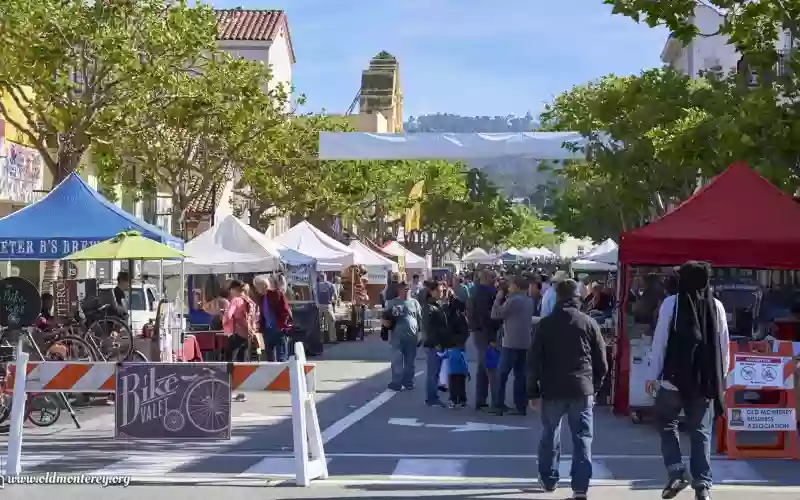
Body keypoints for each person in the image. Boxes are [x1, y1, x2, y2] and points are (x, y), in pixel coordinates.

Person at [645, 262, 730, 500]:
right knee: (700, 432)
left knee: (666, 422)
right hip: (704, 381)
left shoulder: (671, 303)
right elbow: (724, 346)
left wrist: (652, 375)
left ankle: (676, 471)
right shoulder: (717, 306)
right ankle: (702, 485)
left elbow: (660, 340)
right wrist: (721, 378)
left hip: (673, 378)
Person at [527, 279, 608, 499]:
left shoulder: (545, 324)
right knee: (582, 438)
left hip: (552, 387)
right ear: (578, 298)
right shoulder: (589, 323)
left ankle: (548, 478)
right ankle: (580, 487)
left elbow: (533, 360)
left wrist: (532, 391)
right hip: (582, 387)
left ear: (558, 297)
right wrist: (595, 387)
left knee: (550, 434)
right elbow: (602, 361)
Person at [491, 275, 535, 415]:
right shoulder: (529, 300)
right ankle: (520, 406)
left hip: (510, 342)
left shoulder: (513, 301)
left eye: (510, 285)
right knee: (520, 375)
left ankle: (498, 404)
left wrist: (499, 298)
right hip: (525, 342)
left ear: (516, 286)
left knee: (502, 374)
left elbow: (495, 314)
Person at [422, 281, 469, 406]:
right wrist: (438, 342)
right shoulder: (429, 307)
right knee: (433, 372)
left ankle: (435, 397)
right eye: (438, 291)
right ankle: (432, 398)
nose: (441, 293)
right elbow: (430, 328)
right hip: (434, 344)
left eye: (442, 291)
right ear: (431, 292)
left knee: (438, 372)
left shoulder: (438, 305)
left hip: (441, 343)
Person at [468, 270, 501, 411]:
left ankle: (481, 400)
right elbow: (486, 317)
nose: (496, 280)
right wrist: (491, 338)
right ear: (487, 278)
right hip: (485, 333)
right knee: (491, 368)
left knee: (482, 367)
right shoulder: (487, 293)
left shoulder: (475, 291)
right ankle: (496, 402)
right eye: (494, 277)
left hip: (478, 332)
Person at [383, 282, 422, 391]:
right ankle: (396, 382)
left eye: (408, 289)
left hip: (412, 336)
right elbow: (384, 317)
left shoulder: (415, 303)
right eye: (404, 289)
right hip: (397, 336)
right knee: (397, 359)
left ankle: (408, 381)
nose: (407, 291)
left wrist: (421, 333)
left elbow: (420, 319)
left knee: (410, 361)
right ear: (399, 290)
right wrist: (385, 323)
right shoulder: (392, 303)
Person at [223, 280, 251, 402]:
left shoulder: (235, 301)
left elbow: (229, 315)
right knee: (243, 363)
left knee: (230, 362)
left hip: (236, 333)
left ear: (234, 289)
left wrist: (225, 320)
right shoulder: (249, 300)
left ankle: (227, 390)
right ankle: (242, 392)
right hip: (248, 334)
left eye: (230, 290)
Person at [316, 274, 337, 344]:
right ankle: (332, 339)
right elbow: (335, 296)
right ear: (325, 277)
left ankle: (319, 339)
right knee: (331, 321)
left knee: (319, 323)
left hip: (318, 306)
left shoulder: (316, 285)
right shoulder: (330, 285)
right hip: (328, 305)